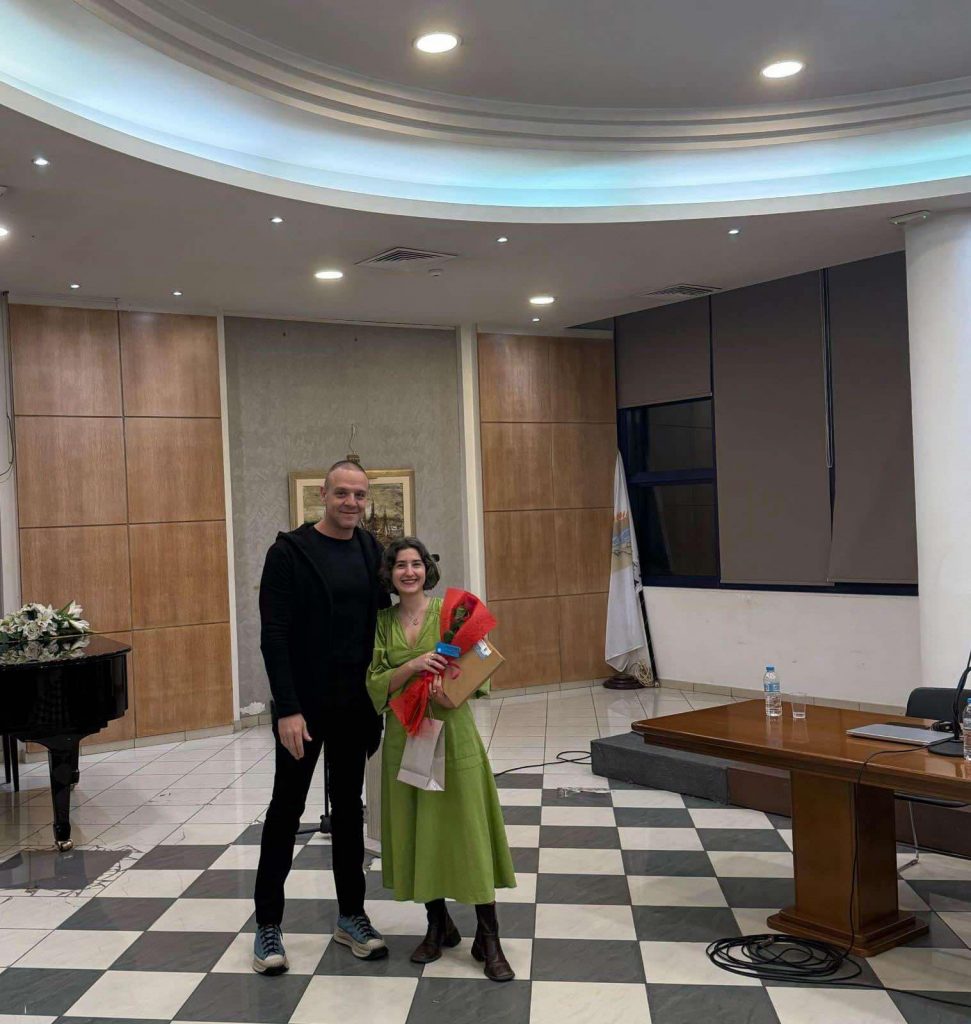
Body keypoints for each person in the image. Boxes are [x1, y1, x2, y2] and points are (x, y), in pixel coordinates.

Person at [252, 460, 390, 974]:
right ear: (323, 496)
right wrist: (287, 708)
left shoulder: (370, 549)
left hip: (355, 707)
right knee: (285, 810)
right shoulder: (289, 552)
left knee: (350, 810)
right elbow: (274, 635)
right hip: (303, 710)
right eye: (342, 494)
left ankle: (351, 916)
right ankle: (268, 925)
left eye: (359, 495)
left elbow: (385, 620)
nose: (351, 502)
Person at [367, 537, 517, 982]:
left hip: (453, 734)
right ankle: (438, 924)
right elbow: (374, 681)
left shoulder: (452, 614)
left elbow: (481, 667)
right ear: (390, 573)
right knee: (419, 827)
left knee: (467, 829)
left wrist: (451, 683)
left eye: (416, 564)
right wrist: (415, 667)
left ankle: (488, 936)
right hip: (406, 736)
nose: (409, 572)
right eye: (400, 565)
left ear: (426, 569)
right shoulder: (381, 622)